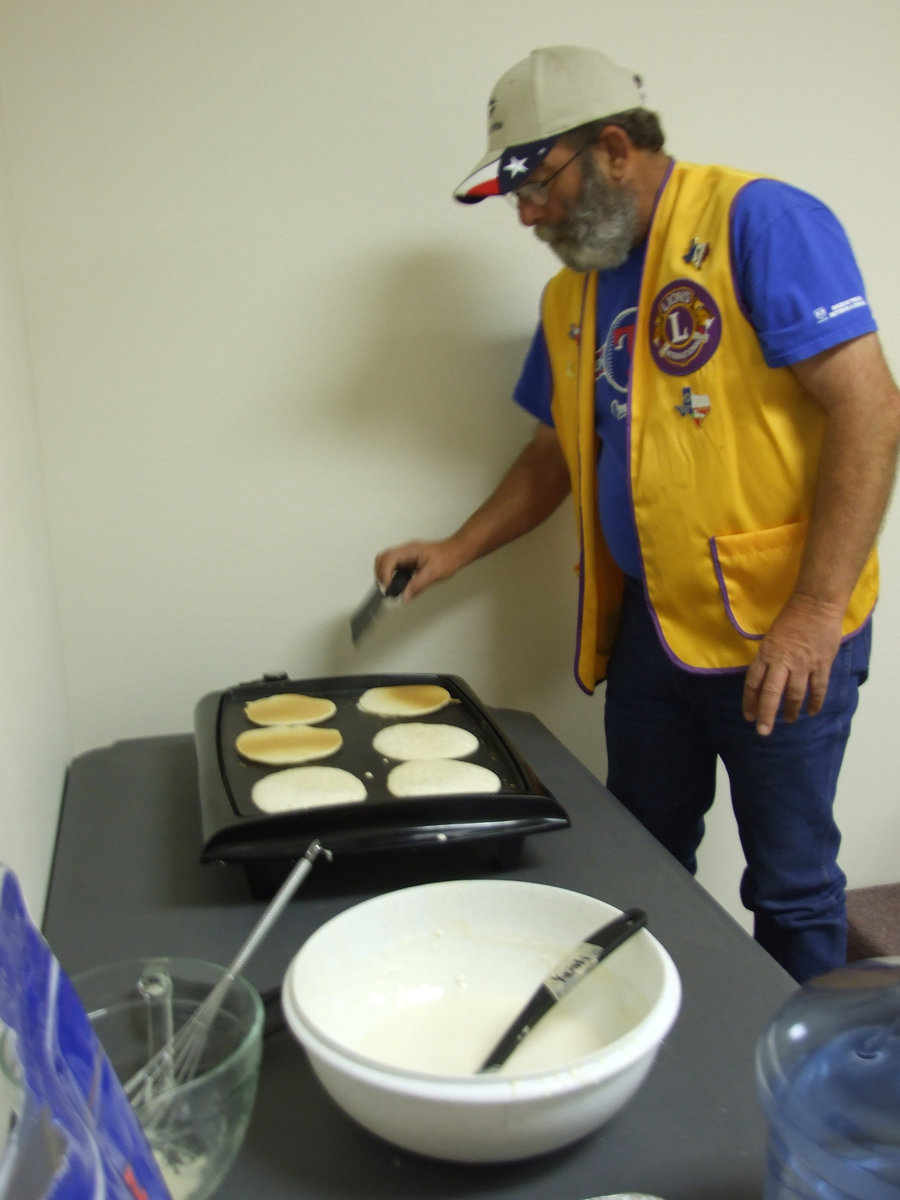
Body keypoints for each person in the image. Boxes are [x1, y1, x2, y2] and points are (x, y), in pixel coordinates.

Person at [374, 45, 900, 982]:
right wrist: (455, 550)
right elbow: (555, 455)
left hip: (780, 628)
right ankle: (659, 1051)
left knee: (791, 886)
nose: (525, 212)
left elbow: (871, 407)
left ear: (614, 148)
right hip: (654, 634)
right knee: (643, 858)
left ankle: (812, 1099)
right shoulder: (569, 293)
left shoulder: (759, 220)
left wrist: (816, 613)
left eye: (535, 182)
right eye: (512, 193)